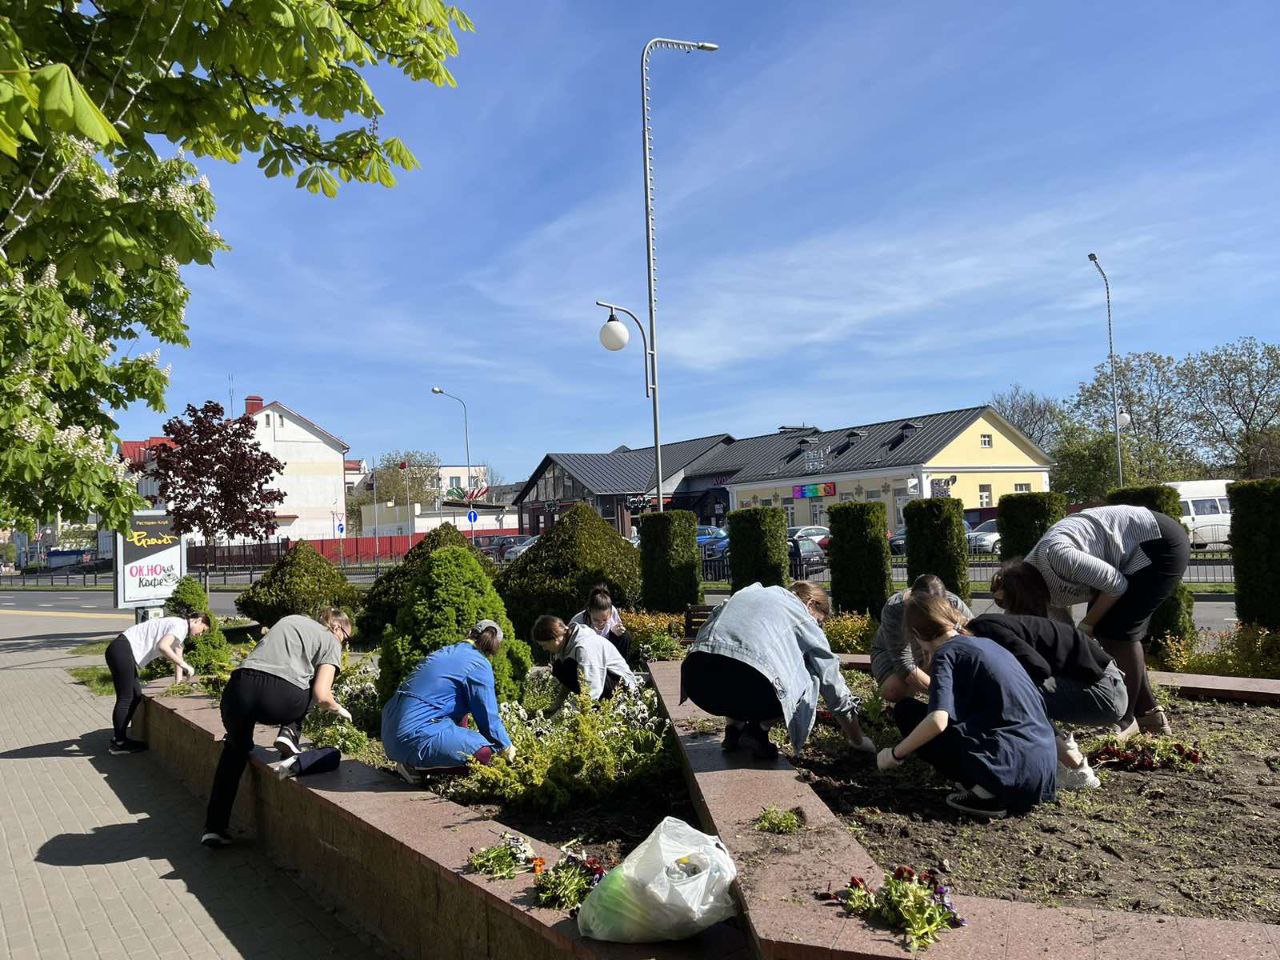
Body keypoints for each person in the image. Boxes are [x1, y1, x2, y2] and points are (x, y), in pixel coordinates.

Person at [994, 504, 1190, 738]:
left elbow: (1116, 585)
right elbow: (1062, 631)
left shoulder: (1059, 557)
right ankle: (1150, 716)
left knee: (1117, 631)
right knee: (1110, 626)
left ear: (1027, 597)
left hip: (1155, 543)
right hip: (1122, 561)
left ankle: (1126, 721)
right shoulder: (1029, 579)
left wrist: (1087, 625)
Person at [877, 593, 1057, 818]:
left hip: (1006, 773)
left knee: (907, 711)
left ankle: (986, 795)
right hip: (1043, 773)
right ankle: (989, 785)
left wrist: (895, 754)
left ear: (916, 634)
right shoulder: (987, 644)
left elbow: (937, 721)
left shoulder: (946, 653)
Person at [202, 609, 353, 848]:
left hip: (238, 690)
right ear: (336, 627)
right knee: (310, 681)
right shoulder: (330, 641)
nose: (344, 645)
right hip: (280, 698)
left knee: (235, 750)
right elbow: (321, 694)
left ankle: (214, 828)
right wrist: (338, 708)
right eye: (346, 638)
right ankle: (289, 732)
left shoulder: (290, 619)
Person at [680, 581, 874, 760]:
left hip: (698, 682)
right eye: (820, 621)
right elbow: (831, 682)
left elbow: (715, 637)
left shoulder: (748, 592)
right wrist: (857, 740)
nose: (819, 627)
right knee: (810, 671)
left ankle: (734, 728)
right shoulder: (802, 616)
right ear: (811, 604)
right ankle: (758, 731)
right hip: (754, 688)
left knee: (737, 657)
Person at [950, 609, 1127, 790]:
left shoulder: (986, 629)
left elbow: (1039, 668)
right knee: (1002, 688)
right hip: (1100, 685)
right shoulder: (986, 627)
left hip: (1105, 692)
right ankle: (1052, 757)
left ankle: (1072, 767)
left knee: (1007, 691)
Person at [381, 620, 517, 785]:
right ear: (494, 646)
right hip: (411, 738)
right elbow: (488, 717)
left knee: (463, 721)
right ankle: (413, 765)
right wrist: (506, 747)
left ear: (469, 633)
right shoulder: (479, 664)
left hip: (390, 730)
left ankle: (420, 761)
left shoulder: (443, 652)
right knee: (483, 753)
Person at [104, 612, 210, 753]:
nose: (200, 634)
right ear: (198, 620)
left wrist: (178, 684)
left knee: (135, 695)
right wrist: (185, 665)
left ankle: (119, 738)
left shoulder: (179, 630)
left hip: (120, 650)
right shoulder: (180, 625)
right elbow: (163, 646)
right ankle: (119, 742)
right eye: (203, 630)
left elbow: (177, 655)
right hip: (122, 650)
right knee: (126, 698)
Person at [870, 574, 973, 702]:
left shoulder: (953, 602)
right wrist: (944, 694)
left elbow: (975, 636)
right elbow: (904, 663)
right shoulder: (895, 609)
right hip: (891, 655)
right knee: (894, 689)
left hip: (931, 652)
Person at [532, 615, 638, 707]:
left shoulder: (583, 646)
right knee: (559, 667)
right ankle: (595, 705)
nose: (544, 649)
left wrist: (573, 713)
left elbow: (592, 685)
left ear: (555, 638)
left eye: (544, 645)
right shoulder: (565, 644)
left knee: (567, 665)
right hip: (603, 680)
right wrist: (557, 704)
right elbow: (567, 681)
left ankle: (601, 706)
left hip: (621, 685)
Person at [570, 585, 632, 661]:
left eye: (604, 620)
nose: (600, 623)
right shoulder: (578, 621)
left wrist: (615, 631)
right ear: (589, 611)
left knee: (625, 636)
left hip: (606, 650)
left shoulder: (613, 611)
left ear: (610, 612)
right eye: (596, 620)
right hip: (586, 656)